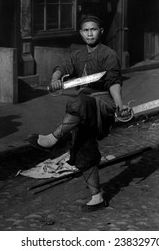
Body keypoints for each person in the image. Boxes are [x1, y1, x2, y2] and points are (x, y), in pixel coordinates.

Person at [28, 14, 129, 212]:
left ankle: (52, 139)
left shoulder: (109, 54)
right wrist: (56, 77)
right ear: (81, 33)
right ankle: (97, 197)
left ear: (100, 31)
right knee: (82, 147)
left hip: (103, 104)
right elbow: (63, 67)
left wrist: (119, 105)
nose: (89, 33)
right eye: (85, 30)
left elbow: (114, 81)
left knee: (79, 101)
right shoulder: (77, 55)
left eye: (93, 29)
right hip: (82, 109)